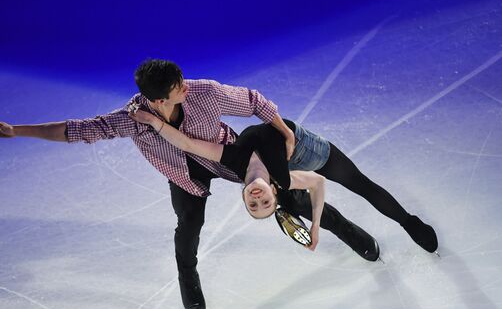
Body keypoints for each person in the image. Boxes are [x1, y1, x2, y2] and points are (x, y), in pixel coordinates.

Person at [0, 59, 379, 309]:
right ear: (156, 101)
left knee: (290, 194)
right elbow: (74, 130)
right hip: (183, 174)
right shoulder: (131, 119)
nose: (186, 86)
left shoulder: (201, 92)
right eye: (177, 87)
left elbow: (254, 100)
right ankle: (188, 276)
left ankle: (349, 232)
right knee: (189, 225)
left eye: (182, 81)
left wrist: (283, 131)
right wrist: (18, 130)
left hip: (227, 154)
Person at [131, 109, 438, 254]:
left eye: (253, 204)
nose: (256, 197)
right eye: (264, 203)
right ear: (274, 194)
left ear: (244, 199)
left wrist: (156, 122)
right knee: (360, 184)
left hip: (296, 143)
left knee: (360, 184)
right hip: (311, 153)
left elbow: (188, 144)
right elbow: (317, 182)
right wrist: (315, 225)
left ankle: (407, 223)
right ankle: (410, 223)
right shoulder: (283, 178)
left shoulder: (233, 161)